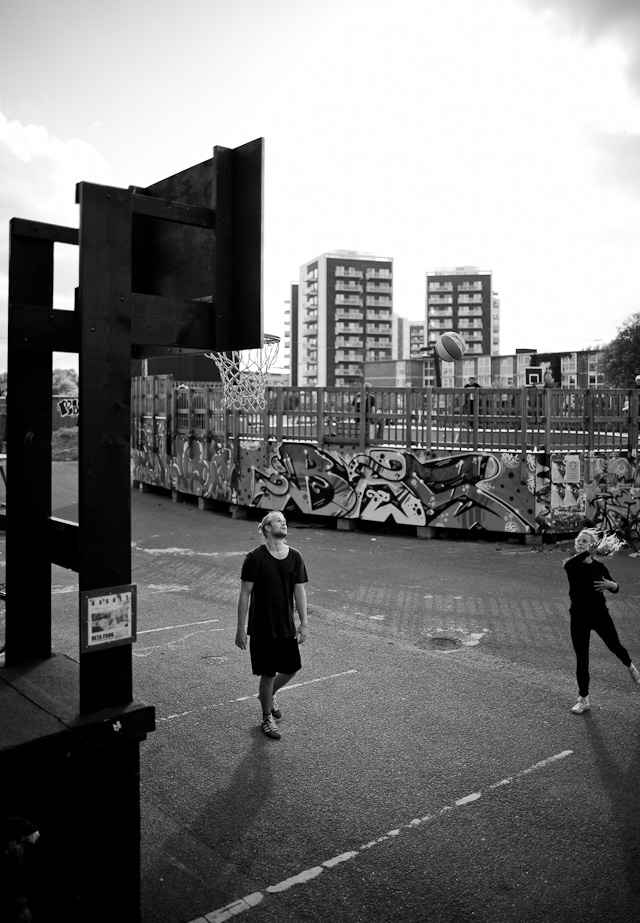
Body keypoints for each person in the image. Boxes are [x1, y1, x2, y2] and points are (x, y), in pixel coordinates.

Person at [235, 511, 309, 739]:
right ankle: (266, 717)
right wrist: (240, 629)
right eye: (278, 520)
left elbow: (300, 591)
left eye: (284, 520)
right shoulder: (254, 558)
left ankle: (268, 695)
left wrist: (304, 623)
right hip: (261, 628)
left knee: (292, 668)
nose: (283, 522)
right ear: (267, 528)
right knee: (267, 675)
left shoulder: (295, 556)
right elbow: (245, 594)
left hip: (285, 625)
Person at [563, 528, 640, 714]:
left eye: (585, 541)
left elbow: (615, 587)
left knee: (616, 647)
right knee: (582, 659)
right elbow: (568, 566)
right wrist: (588, 553)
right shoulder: (572, 565)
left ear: (593, 544)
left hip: (600, 615)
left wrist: (611, 585)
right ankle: (584, 699)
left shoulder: (599, 567)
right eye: (578, 540)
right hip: (579, 617)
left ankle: (630, 667)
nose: (580, 543)